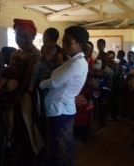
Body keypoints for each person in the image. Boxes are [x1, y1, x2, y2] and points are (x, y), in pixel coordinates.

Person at [39, 26, 89, 165]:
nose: (64, 44)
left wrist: (40, 84)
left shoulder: (77, 64)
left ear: (79, 44)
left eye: (68, 42)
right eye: (64, 40)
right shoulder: (72, 60)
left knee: (61, 149)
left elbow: (54, 82)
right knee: (60, 146)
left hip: (60, 109)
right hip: (59, 108)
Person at [3, 19, 44, 159]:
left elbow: (26, 83)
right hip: (12, 94)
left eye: (26, 36)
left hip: (26, 98)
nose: (21, 39)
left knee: (25, 129)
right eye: (18, 36)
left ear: (33, 36)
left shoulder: (36, 55)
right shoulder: (15, 54)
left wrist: (9, 96)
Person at [28, 44, 60, 114]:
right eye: (42, 52)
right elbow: (34, 75)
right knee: (43, 99)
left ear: (53, 54)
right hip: (42, 85)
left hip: (53, 85)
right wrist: (31, 85)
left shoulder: (56, 63)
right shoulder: (39, 64)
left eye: (48, 52)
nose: (44, 54)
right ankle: (43, 111)